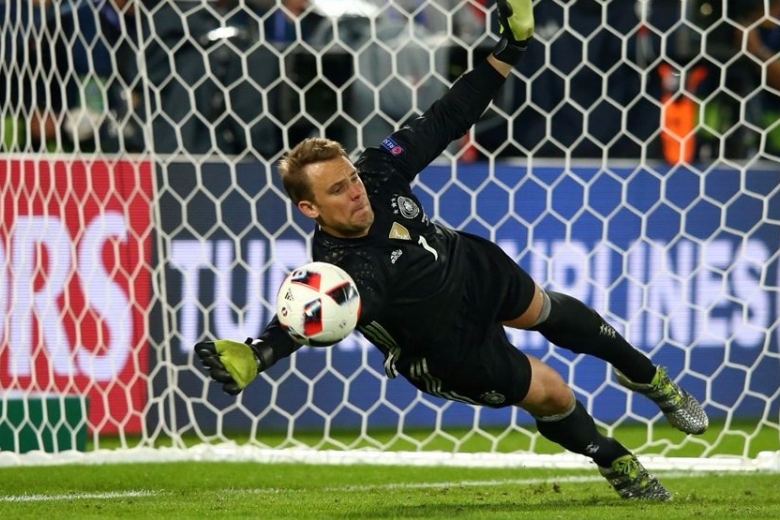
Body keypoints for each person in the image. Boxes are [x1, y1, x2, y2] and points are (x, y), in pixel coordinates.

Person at [195, 0, 708, 500]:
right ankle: (613, 458)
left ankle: (649, 377)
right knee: (552, 391)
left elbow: (447, 116)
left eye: (350, 177)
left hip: (468, 266)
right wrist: (259, 354)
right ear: (310, 209)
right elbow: (311, 312)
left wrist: (510, 49)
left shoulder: (378, 171)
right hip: (446, 348)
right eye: (337, 190)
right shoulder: (341, 266)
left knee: (547, 310)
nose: (355, 192)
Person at [30, 0, 144, 153]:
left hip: (141, 144)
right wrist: (53, 116)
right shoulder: (70, 22)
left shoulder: (162, 23)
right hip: (77, 148)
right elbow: (38, 116)